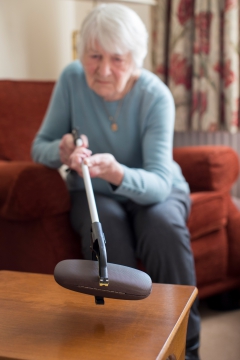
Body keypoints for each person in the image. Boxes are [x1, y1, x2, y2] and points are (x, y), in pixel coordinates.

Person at [31, 4, 200, 359]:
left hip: (156, 189)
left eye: (117, 59)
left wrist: (116, 172)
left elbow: (157, 183)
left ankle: (187, 345)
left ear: (136, 59)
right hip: (94, 193)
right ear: (82, 54)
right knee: (106, 231)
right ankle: (122, 346)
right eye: (94, 56)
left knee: (162, 226)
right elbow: (39, 147)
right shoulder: (72, 79)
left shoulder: (156, 96)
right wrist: (61, 152)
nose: (103, 70)